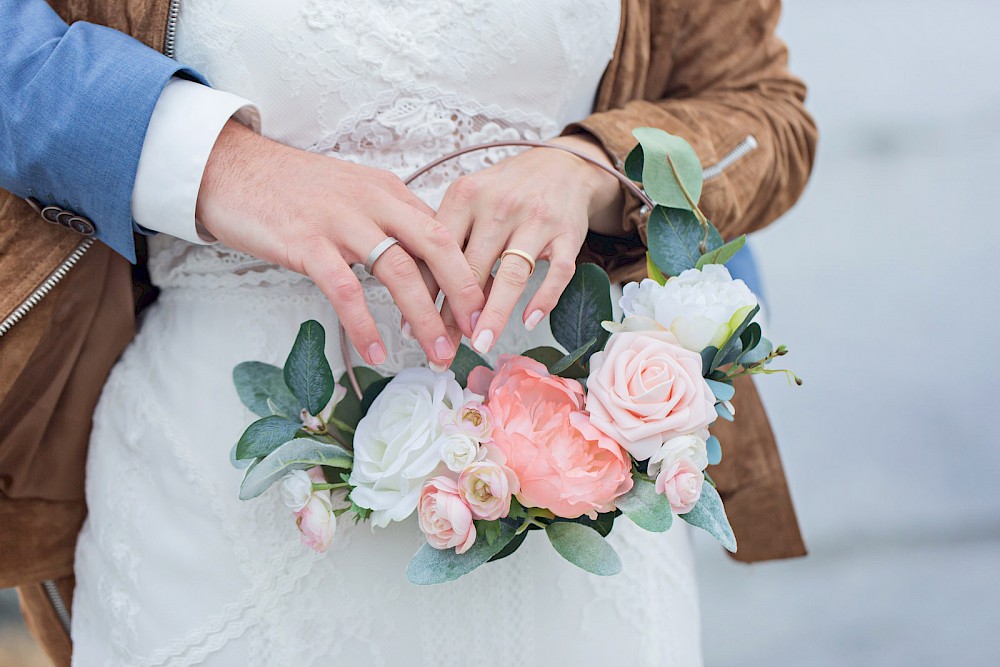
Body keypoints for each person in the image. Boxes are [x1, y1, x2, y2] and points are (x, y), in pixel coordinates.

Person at [0, 0, 816, 664]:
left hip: (572, 498)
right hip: (219, 501)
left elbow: (761, 107)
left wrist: (594, 167)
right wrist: (220, 165)